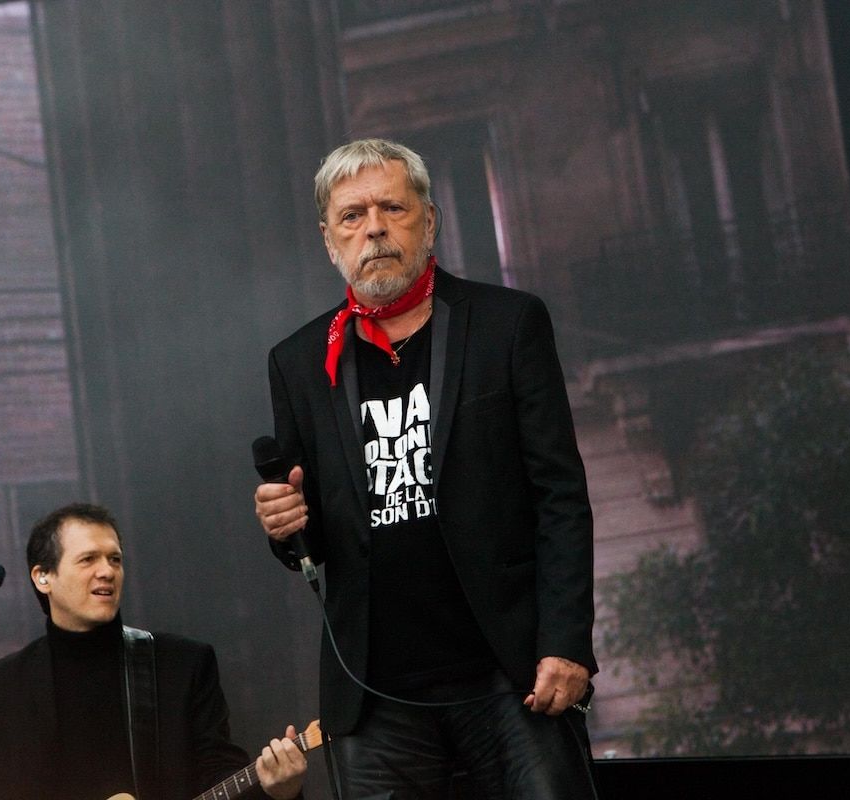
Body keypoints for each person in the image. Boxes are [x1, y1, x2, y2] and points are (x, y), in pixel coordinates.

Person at [254, 138, 598, 799]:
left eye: (392, 207)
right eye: (352, 216)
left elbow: (560, 497)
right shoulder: (297, 363)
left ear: (430, 221)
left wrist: (567, 641)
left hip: (511, 673)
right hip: (376, 693)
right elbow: (314, 539)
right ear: (330, 241)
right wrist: (284, 526)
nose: (374, 227)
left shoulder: (507, 323)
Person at [0, 502, 306, 800]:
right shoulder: (1, 688)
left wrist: (277, 791)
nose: (107, 571)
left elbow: (219, 774)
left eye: (114, 559)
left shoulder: (181, 664)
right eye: (88, 559)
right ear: (43, 577)